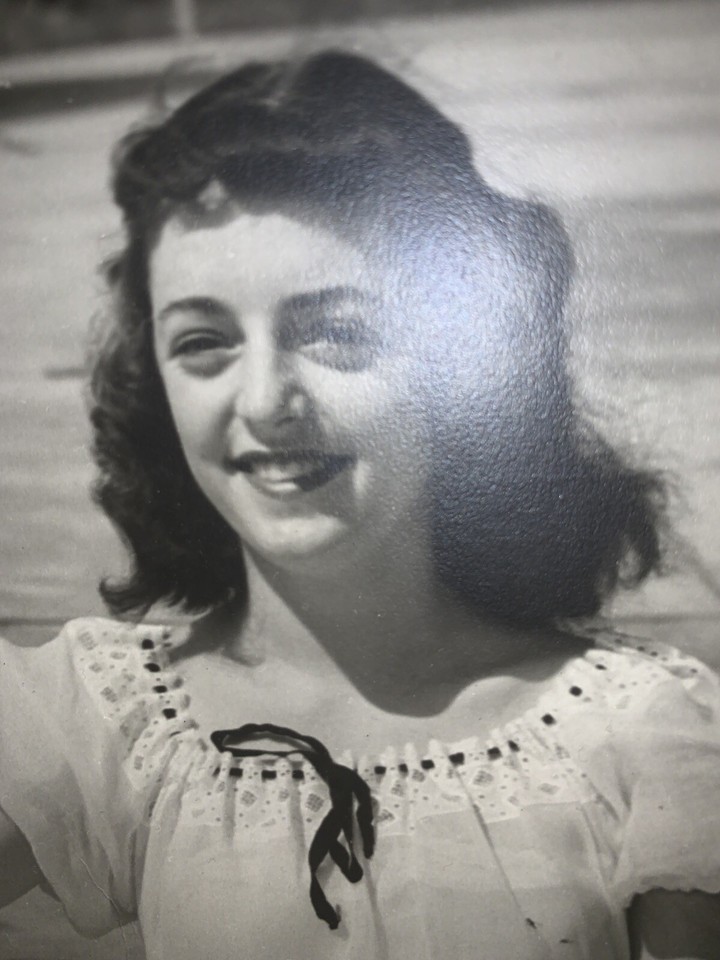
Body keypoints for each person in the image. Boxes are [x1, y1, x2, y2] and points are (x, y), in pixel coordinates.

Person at [1, 50, 718, 960]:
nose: (264, 400)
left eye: (337, 332)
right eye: (204, 341)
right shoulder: (107, 719)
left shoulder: (642, 733)